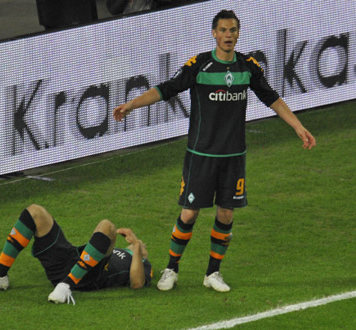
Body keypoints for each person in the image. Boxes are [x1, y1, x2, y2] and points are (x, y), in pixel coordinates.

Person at [113, 10, 316, 293]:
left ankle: (212, 273)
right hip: (202, 155)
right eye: (223, 30)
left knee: (226, 216)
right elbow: (167, 89)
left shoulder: (248, 66)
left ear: (238, 33)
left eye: (232, 30)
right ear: (214, 33)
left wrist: (298, 126)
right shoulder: (200, 65)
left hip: (233, 156)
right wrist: (131, 105)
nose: (228, 35)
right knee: (189, 215)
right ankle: (171, 269)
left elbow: (272, 98)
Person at [0, 204, 153, 305]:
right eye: (141, 243)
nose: (143, 243)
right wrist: (134, 245)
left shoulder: (144, 265)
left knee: (107, 226)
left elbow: (137, 283)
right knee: (35, 212)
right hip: (71, 261)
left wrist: (137, 247)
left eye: (144, 246)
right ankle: (0, 275)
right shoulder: (119, 251)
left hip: (90, 277)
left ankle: (66, 286)